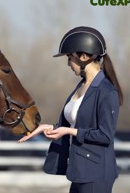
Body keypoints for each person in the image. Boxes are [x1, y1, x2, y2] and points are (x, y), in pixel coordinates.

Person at [18, 26, 123, 193]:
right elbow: (77, 123)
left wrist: (68, 131)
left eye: (69, 58)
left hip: (96, 174)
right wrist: (49, 127)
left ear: (83, 56)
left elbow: (105, 135)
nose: (68, 64)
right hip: (79, 172)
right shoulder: (82, 86)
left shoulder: (107, 91)